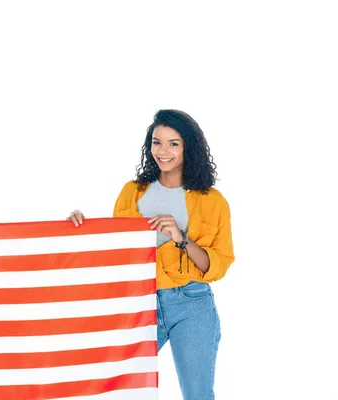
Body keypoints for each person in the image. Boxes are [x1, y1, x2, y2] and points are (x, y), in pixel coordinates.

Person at [67, 109, 234, 399]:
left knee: (197, 394)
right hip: (139, 302)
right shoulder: (133, 192)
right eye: (157, 142)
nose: (163, 151)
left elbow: (217, 266)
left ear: (188, 147)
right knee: (110, 387)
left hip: (191, 303)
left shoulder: (213, 200)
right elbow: (114, 250)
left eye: (173, 143)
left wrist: (181, 238)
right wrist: (82, 227)